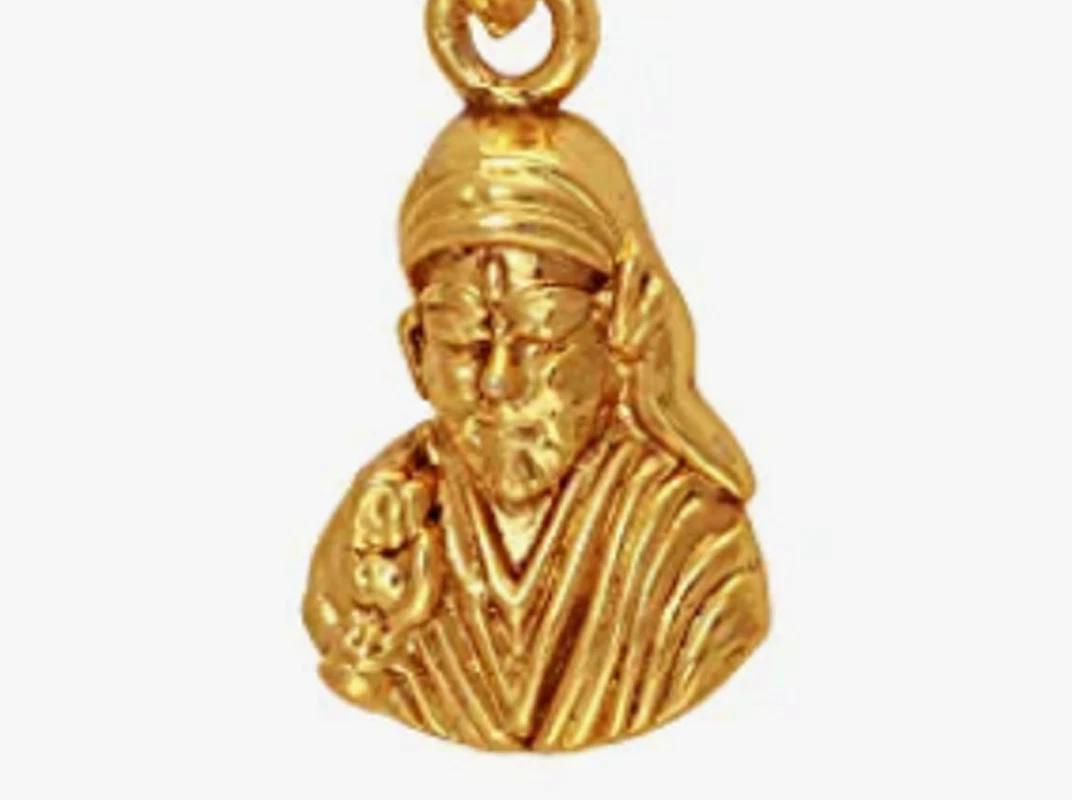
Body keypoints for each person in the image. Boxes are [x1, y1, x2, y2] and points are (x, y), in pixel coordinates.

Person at [304, 109, 769, 750]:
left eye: (541, 333)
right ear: (415, 350)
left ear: (617, 332)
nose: (499, 381)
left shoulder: (690, 544)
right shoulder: (369, 534)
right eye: (463, 339)